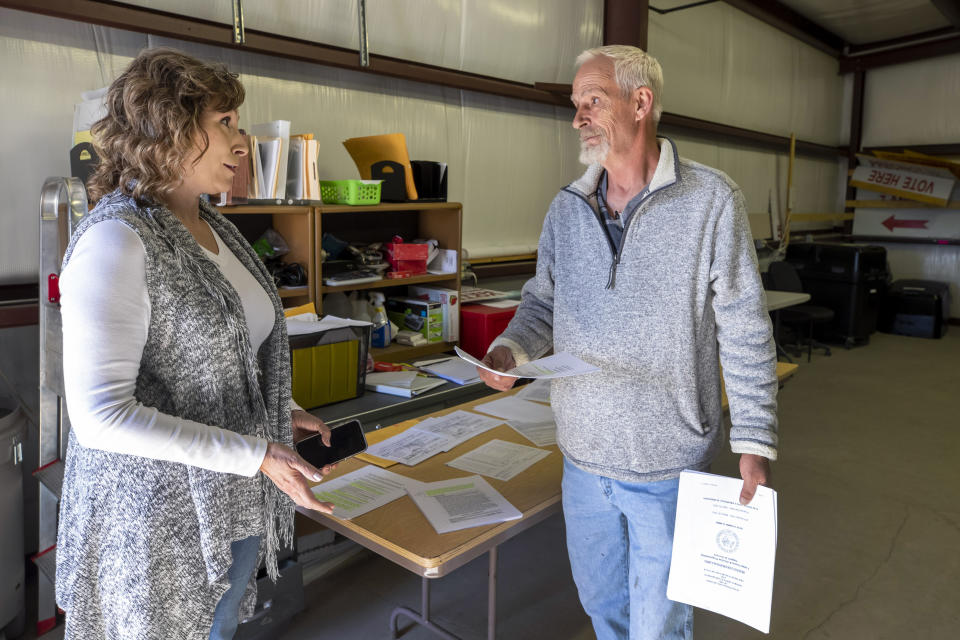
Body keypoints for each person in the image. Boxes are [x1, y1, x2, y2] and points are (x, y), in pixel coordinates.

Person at [478, 45, 778, 640]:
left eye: (593, 100)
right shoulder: (566, 208)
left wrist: (754, 439)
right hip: (583, 460)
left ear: (640, 103)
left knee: (658, 625)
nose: (577, 117)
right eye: (575, 104)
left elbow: (745, 327)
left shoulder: (712, 202)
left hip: (668, 463)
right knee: (602, 607)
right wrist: (511, 348)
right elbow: (542, 302)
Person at [56, 48, 337, 639]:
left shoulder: (217, 227)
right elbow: (100, 417)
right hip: (156, 532)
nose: (243, 143)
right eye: (225, 124)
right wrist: (257, 453)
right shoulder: (116, 241)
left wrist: (281, 414)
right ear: (168, 130)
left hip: (227, 505)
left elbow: (225, 356)